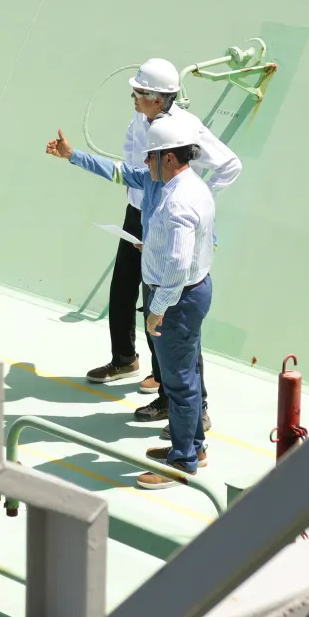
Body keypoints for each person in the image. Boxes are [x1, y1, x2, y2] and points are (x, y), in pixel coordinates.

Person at [46, 112, 214, 487]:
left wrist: (157, 311)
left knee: (180, 382)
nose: (143, 161)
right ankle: (194, 446)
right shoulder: (176, 185)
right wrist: (74, 156)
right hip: (188, 292)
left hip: (176, 298)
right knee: (185, 374)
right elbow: (120, 173)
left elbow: (177, 265)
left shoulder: (176, 204)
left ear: (168, 157)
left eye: (149, 154)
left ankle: (182, 462)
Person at [86, 57, 241, 433]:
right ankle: (127, 360)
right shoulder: (139, 122)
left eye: (140, 92)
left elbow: (229, 165)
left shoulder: (185, 129)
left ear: (158, 97)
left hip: (168, 222)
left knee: (165, 312)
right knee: (124, 290)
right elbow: (130, 163)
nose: (135, 97)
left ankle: (174, 396)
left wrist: (197, 199)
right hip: (139, 214)